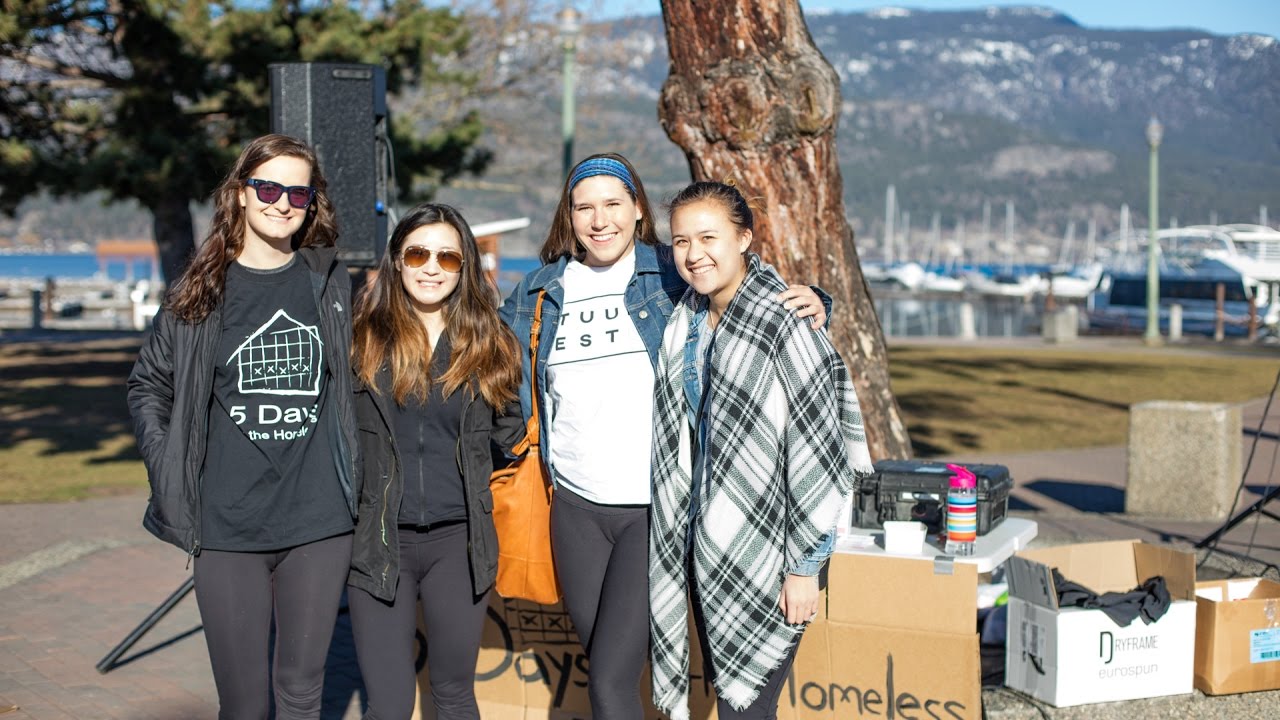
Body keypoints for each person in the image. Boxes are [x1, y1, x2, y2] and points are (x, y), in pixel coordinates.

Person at [499, 154, 828, 719]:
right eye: (584, 207)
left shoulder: (671, 274)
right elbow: (490, 365)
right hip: (573, 508)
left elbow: (743, 287)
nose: (599, 220)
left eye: (613, 204)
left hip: (653, 512)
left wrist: (819, 300)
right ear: (568, 216)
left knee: (607, 678)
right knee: (607, 669)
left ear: (636, 210)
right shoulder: (538, 290)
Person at [127, 134, 358, 720]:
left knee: (303, 693)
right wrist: (170, 466)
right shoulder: (199, 290)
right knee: (245, 703)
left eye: (298, 192)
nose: (283, 203)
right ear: (241, 193)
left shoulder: (330, 283)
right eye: (269, 187)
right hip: (226, 527)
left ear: (313, 203)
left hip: (319, 522)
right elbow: (149, 385)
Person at [647, 181, 875, 720]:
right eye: (680, 242)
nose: (693, 254)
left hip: (772, 554)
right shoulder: (687, 320)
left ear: (745, 237)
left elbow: (818, 451)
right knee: (736, 708)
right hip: (704, 548)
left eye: (709, 237)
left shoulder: (785, 321)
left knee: (745, 712)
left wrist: (805, 568)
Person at [345, 202, 524, 720]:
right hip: (378, 541)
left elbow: (509, 434)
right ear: (397, 261)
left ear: (464, 267)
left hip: (459, 543)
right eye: (418, 253)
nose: (431, 267)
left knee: (453, 693)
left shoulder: (489, 343)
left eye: (447, 258)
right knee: (390, 702)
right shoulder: (362, 339)